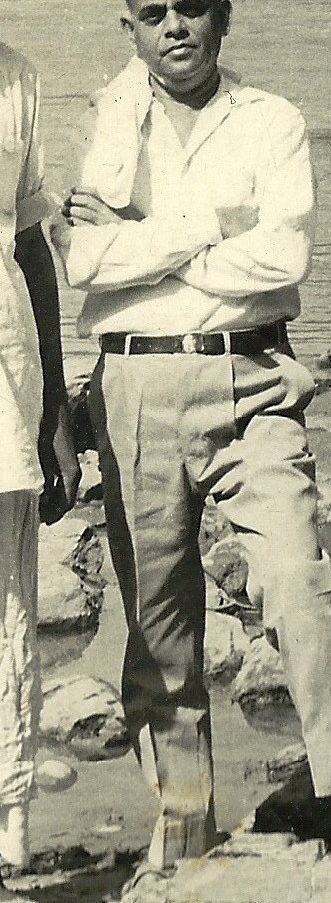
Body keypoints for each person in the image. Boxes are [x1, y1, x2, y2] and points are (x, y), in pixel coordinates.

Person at [53, 0, 331, 879]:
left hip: (253, 379)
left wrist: (143, 246)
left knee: (298, 582)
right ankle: (187, 823)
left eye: (191, 8)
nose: (176, 28)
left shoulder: (272, 119)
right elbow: (84, 265)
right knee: (159, 628)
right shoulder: (110, 118)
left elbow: (281, 263)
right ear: (130, 27)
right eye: (154, 14)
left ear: (222, 13)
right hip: (132, 383)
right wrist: (209, 228)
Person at [0, 47, 79, 899]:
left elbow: (29, 244)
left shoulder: (16, 77)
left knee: (3, 601)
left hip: (2, 367)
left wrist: (56, 403)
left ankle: (9, 836)